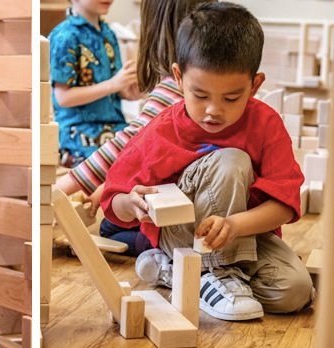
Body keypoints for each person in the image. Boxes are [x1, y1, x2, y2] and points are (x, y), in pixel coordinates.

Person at [101, 2, 314, 321]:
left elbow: (284, 205)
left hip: (240, 232)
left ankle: (176, 273)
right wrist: (130, 203)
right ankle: (213, 272)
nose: (214, 110)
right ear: (178, 77)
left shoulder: (266, 124)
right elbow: (113, 200)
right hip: (182, 233)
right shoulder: (161, 129)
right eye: (200, 95)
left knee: (295, 292)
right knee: (232, 161)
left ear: (255, 85)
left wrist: (233, 226)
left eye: (231, 98)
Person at [54, 0, 214, 256]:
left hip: (186, 211)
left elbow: (128, 143)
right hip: (82, 138)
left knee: (109, 226)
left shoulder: (177, 85)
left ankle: (165, 246)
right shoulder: (67, 35)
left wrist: (57, 190)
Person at [49, 0, 141, 168]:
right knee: (116, 170)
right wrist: (114, 84)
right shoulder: (64, 36)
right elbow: (63, 98)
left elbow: (115, 89)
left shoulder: (108, 33)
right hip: (79, 134)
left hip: (115, 128)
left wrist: (130, 90)